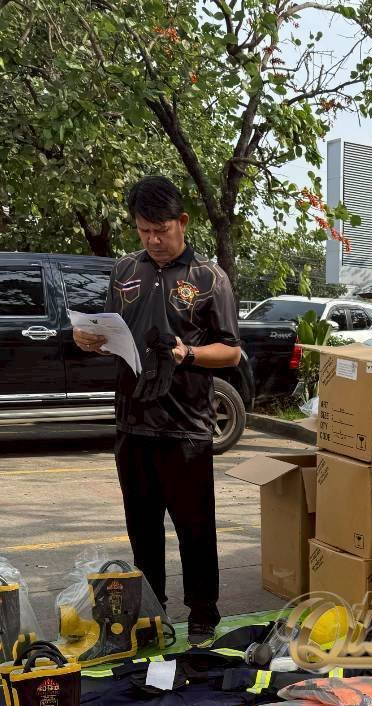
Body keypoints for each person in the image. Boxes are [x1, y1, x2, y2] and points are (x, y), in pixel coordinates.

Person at [74, 175, 241, 645]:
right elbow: (111, 329)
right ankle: (152, 613)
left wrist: (190, 353)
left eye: (161, 230)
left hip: (186, 427)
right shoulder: (125, 269)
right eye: (144, 230)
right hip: (132, 423)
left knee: (194, 528)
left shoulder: (209, 278)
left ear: (182, 222)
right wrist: (89, 339)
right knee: (142, 529)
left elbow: (231, 351)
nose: (152, 240)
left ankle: (203, 613)